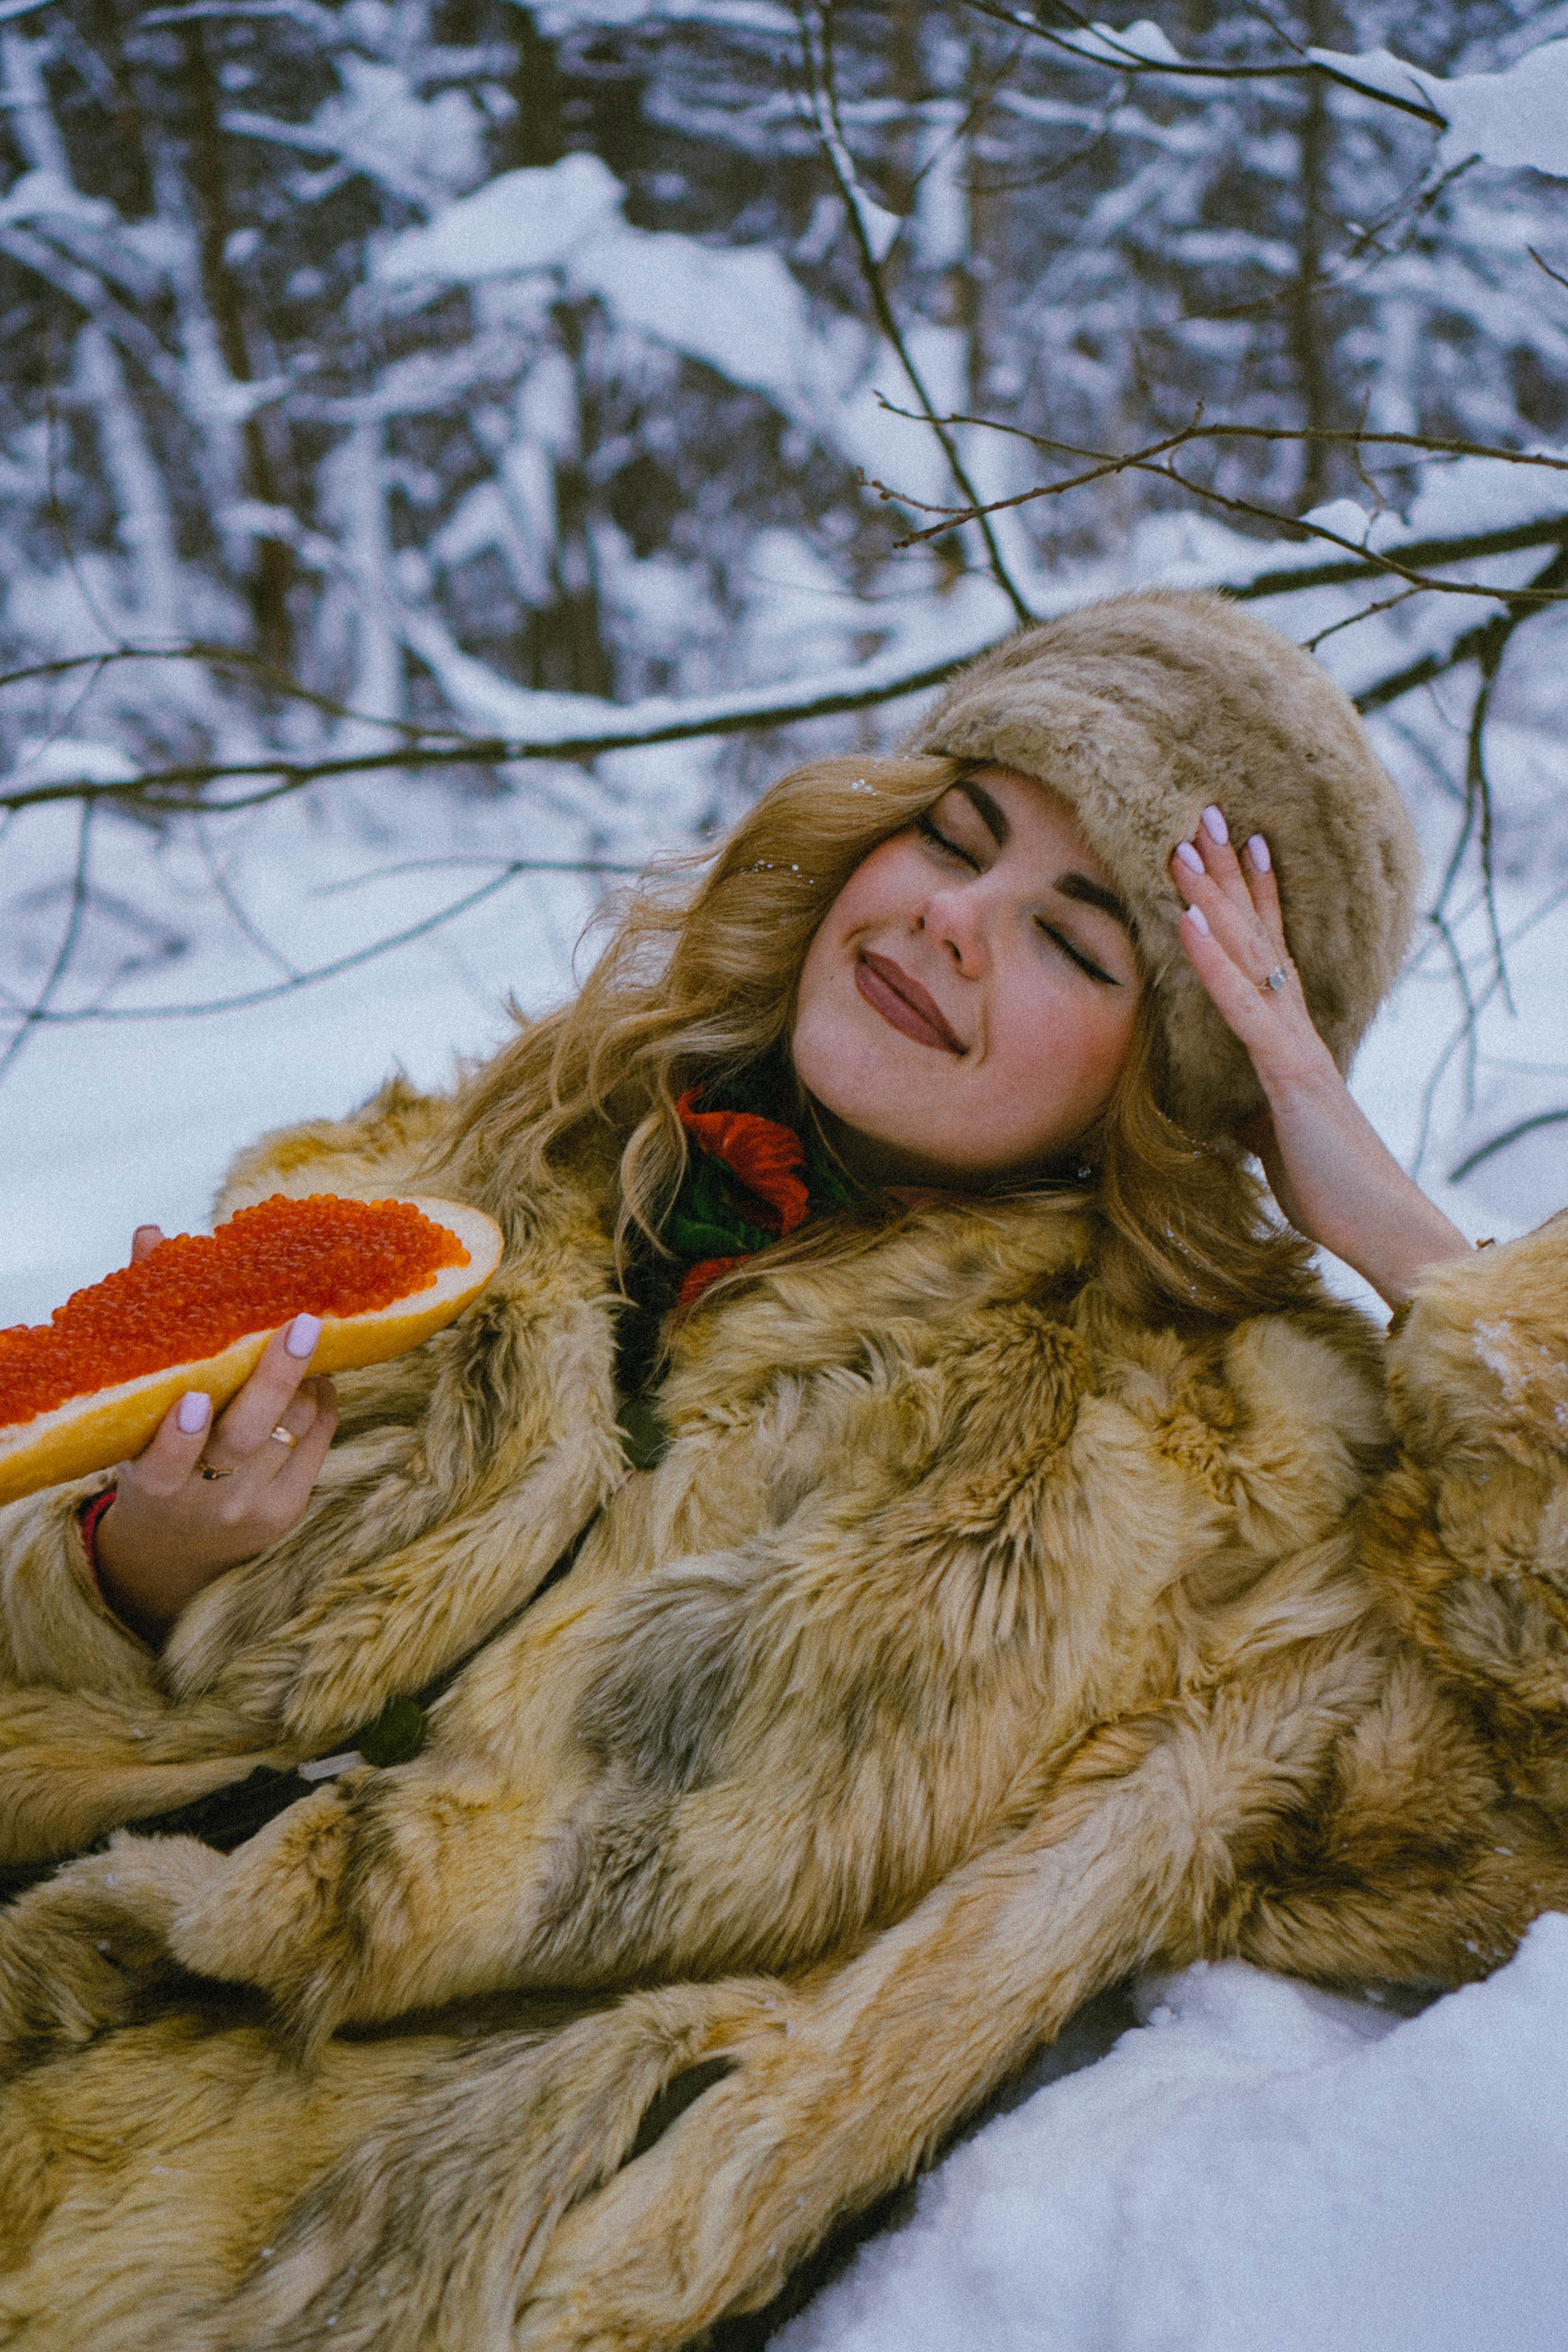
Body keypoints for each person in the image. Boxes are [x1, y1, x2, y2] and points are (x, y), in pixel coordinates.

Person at [1, 589, 1565, 2352]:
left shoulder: (1211, 1473)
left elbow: (1520, 1824)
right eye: (955, 835)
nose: (951, 923)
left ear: (1184, 1074)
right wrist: (125, 1578)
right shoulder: (451, 1177)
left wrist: (1435, 1273)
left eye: (1075, 940)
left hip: (320, 2261)